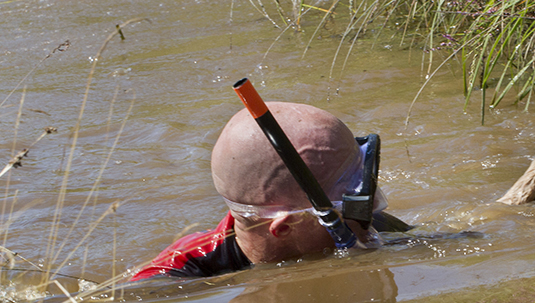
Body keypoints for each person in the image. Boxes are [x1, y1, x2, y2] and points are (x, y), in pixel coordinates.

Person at [130, 102, 409, 281]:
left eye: (363, 184)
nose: (372, 210)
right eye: (351, 199)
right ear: (285, 227)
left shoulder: (371, 228)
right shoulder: (175, 277)